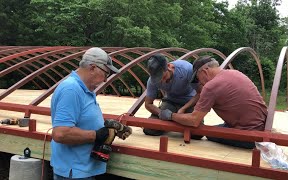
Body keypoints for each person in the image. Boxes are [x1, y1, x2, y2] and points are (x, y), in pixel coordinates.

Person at [50, 47, 131, 179]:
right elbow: (61, 134)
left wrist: (109, 130)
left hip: (82, 169)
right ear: (93, 68)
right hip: (74, 172)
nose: (105, 80)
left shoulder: (85, 90)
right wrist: (97, 135)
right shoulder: (71, 89)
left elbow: (84, 119)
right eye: (106, 74)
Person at [159, 56, 268, 149]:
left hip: (250, 137)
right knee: (216, 127)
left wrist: (171, 115)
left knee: (208, 133)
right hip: (262, 127)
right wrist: (183, 110)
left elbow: (194, 121)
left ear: (204, 71)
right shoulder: (235, 73)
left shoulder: (211, 86)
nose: (199, 82)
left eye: (197, 78)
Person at [143, 53, 202, 139]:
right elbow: (148, 104)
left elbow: (200, 93)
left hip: (189, 102)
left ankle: (173, 123)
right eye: (158, 79)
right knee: (150, 129)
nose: (162, 81)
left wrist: (183, 109)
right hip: (170, 102)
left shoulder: (186, 69)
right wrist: (161, 113)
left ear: (169, 66)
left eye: (163, 76)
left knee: (197, 134)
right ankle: (176, 123)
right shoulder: (152, 81)